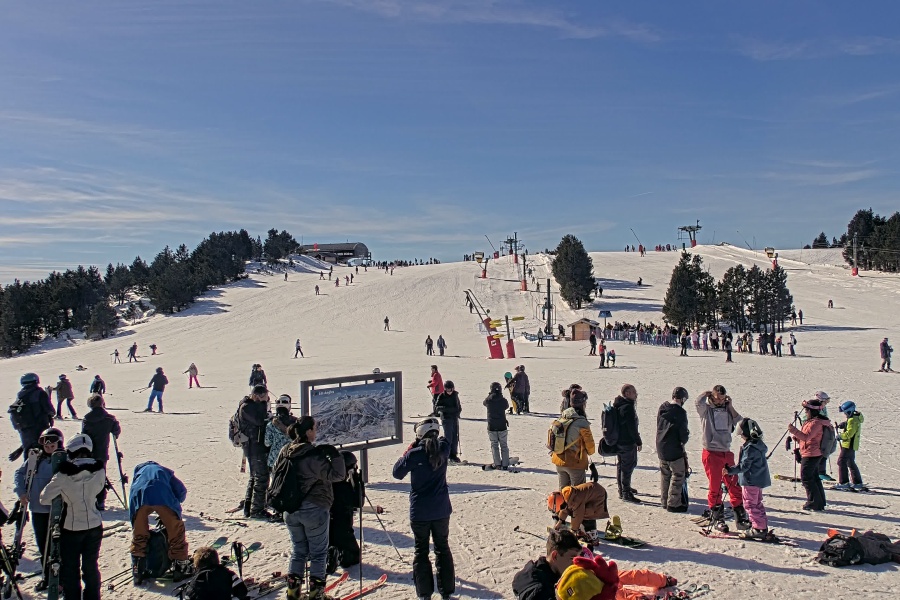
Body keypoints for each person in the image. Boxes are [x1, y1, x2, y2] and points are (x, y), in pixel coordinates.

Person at [281, 417, 347, 600]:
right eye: (315, 428)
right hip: (314, 509)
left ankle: (293, 593)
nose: (316, 432)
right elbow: (338, 475)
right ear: (308, 431)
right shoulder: (312, 455)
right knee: (318, 554)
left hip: (289, 509)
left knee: (298, 551)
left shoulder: (286, 451)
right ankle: (316, 595)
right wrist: (335, 455)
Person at [392, 418, 455, 600]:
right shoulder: (444, 449)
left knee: (421, 551)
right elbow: (444, 440)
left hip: (420, 510)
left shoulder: (415, 454)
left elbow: (397, 473)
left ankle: (424, 593)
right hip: (441, 509)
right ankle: (446, 591)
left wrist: (409, 450)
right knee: (442, 547)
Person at [39, 434, 105, 600]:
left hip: (72, 527)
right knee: (91, 566)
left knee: (70, 569)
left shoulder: (63, 475)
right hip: (95, 524)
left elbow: (44, 498)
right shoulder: (99, 470)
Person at [14, 427, 64, 589]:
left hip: (58, 511)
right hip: (38, 510)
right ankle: (47, 577)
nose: (48, 447)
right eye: (45, 444)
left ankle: (60, 579)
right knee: (43, 545)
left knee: (57, 547)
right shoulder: (36, 460)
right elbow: (19, 474)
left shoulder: (63, 460)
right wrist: (21, 492)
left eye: (52, 445)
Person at [128, 461, 192, 583]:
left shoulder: (138, 475)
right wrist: (174, 505)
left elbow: (133, 500)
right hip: (163, 496)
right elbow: (181, 491)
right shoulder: (163, 471)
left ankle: (137, 569)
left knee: (139, 535)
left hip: (139, 497)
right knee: (176, 532)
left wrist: (136, 524)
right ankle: (181, 568)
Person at [695, 386, 748, 531]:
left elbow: (740, 421)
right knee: (715, 486)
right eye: (717, 398)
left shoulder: (727, 410)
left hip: (726, 451)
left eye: (722, 399)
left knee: (734, 484)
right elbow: (697, 403)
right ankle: (717, 517)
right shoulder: (706, 410)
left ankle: (740, 516)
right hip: (711, 452)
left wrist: (730, 406)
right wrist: (704, 393)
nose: (720, 401)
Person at [724, 418, 771, 539]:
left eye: (742, 435)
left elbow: (744, 466)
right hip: (758, 480)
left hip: (750, 481)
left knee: (750, 505)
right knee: (757, 504)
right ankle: (761, 525)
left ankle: (758, 528)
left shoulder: (750, 448)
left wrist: (730, 471)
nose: (741, 437)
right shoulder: (758, 445)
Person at [512, 529, 583, 600]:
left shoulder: (539, 567)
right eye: (572, 558)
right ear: (555, 556)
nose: (576, 563)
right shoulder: (540, 591)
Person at [81, 393, 122, 510]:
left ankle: (89, 498)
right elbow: (116, 431)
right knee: (100, 475)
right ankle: (100, 500)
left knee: (89, 475)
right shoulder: (109, 418)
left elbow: (84, 435)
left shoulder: (87, 419)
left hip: (88, 452)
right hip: (102, 452)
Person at [787, 399, 829, 511]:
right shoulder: (813, 422)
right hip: (812, 451)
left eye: (806, 410)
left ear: (811, 411)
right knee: (814, 477)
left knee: (806, 478)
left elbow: (806, 437)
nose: (805, 412)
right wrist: (797, 437)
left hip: (811, 453)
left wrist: (793, 430)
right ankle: (819, 502)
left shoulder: (815, 423)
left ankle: (814, 502)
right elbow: (808, 438)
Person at [238, 385, 272, 519]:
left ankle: (249, 507)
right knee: (261, 477)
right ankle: (257, 509)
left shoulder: (250, 406)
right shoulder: (247, 407)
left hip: (255, 446)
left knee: (255, 477)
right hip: (254, 447)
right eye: (264, 396)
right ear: (257, 395)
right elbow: (259, 420)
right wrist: (263, 404)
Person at [551, 389, 595, 490]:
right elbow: (590, 447)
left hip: (559, 460)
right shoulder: (582, 422)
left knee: (563, 492)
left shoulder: (563, 417)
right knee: (577, 493)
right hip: (575, 462)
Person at [656, 387, 690, 512]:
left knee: (665, 475)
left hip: (661, 446)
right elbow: (683, 433)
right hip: (674, 449)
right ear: (682, 399)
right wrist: (684, 440)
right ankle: (673, 503)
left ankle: (664, 501)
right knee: (678, 475)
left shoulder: (663, 408)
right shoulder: (680, 412)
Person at [328, 451, 362, 573]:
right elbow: (358, 502)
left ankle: (330, 553)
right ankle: (338, 556)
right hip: (343, 526)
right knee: (353, 558)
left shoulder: (327, 482)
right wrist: (358, 482)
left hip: (326, 525)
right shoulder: (344, 487)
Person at [10, 373, 56, 453]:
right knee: (44, 449)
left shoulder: (21, 395)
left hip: (25, 428)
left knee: (28, 450)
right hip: (41, 426)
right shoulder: (40, 393)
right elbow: (49, 410)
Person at [182, 546, 249, 600]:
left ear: (197, 565)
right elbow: (242, 592)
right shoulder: (228, 574)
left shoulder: (195, 581)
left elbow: (188, 597)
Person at [613, 385, 642, 504]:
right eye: (634, 392)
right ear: (627, 393)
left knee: (622, 465)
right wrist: (638, 441)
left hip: (619, 441)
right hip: (627, 442)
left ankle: (623, 489)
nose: (636, 394)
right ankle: (625, 492)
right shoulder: (627, 407)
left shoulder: (620, 405)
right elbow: (631, 428)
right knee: (627, 467)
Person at [834, 401, 865, 491]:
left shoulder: (852, 420)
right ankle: (857, 482)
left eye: (845, 412)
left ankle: (844, 482)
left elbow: (849, 434)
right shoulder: (854, 418)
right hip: (851, 445)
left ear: (849, 411)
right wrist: (845, 424)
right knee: (850, 462)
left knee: (841, 461)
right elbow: (851, 425)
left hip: (848, 445)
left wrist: (840, 436)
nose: (845, 414)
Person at [265, 394, 297, 469]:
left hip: (274, 460)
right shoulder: (296, 422)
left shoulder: (271, 424)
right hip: (292, 459)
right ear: (289, 407)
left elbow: (267, 443)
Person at [484, 382, 511, 469]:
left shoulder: (489, 400)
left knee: (494, 445)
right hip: (502, 425)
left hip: (491, 426)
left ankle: (497, 464)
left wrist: (490, 395)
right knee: (504, 445)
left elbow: (484, 403)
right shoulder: (503, 400)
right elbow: (506, 406)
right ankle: (505, 464)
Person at [434, 381, 462, 463]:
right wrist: (447, 409)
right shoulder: (441, 396)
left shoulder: (455, 395)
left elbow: (458, 407)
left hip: (454, 418)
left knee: (455, 437)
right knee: (448, 437)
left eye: (451, 390)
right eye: (448, 390)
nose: (449, 392)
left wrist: (457, 412)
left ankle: (453, 454)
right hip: (446, 419)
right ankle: (447, 454)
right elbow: (437, 407)